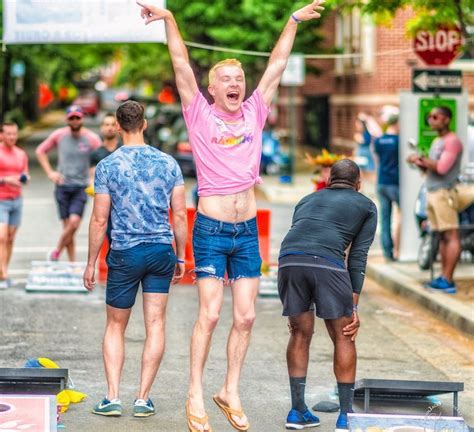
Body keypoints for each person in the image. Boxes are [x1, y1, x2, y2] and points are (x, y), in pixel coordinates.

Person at [137, 1, 325, 431]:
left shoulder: (255, 112)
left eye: (239, 78)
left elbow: (276, 65)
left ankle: (230, 390)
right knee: (210, 314)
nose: (235, 83)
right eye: (226, 79)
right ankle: (195, 393)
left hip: (246, 229)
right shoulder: (199, 113)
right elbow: (181, 63)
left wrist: (292, 21)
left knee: (246, 316)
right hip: (210, 229)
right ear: (213, 88)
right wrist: (169, 19)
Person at [83, 100, 187, 418]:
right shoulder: (169, 164)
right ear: (144, 125)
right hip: (160, 251)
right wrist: (181, 256)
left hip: (125, 253)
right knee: (155, 324)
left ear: (117, 126)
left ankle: (112, 396)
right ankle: (143, 398)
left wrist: (90, 262)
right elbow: (180, 214)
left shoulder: (107, 166)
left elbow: (100, 220)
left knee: (115, 326)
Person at [278, 159, 377, 431]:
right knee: (343, 334)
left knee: (299, 332)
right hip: (326, 262)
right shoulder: (366, 205)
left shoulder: (307, 199)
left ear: (330, 180)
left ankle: (297, 412)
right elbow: (357, 255)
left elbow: (300, 234)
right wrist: (353, 305)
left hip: (288, 260)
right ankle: (346, 417)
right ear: (358, 184)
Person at [407, 106, 474, 293]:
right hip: (432, 191)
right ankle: (443, 277)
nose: (431, 120)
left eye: (435, 116)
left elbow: (443, 168)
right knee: (442, 236)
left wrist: (421, 157)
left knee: (451, 235)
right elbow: (431, 168)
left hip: (444, 193)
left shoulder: (452, 141)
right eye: (429, 117)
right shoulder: (438, 140)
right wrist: (419, 163)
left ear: (446, 119)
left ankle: (448, 279)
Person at [36, 105, 101, 262]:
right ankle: (72, 263)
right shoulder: (59, 135)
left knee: (73, 224)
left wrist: (94, 174)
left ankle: (56, 251)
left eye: (77, 117)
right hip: (62, 186)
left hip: (81, 187)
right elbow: (40, 151)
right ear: (67, 119)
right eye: (71, 118)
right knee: (68, 228)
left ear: (82, 119)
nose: (74, 121)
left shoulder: (92, 138)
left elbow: (102, 158)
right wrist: (50, 173)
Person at [0, 122, 29, 289]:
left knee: (10, 238)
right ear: (1, 135)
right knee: (1, 237)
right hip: (1, 200)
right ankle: (2, 274)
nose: (12, 137)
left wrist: (25, 178)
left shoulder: (21, 154)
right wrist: (5, 180)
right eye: (8, 134)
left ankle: (4, 269)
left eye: (14, 134)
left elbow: (24, 172)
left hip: (16, 200)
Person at [374, 114, 400, 261]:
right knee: (404, 216)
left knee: (385, 219)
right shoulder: (398, 141)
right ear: (396, 123)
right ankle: (401, 249)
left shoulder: (379, 140)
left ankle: (387, 253)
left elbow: (378, 159)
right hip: (395, 183)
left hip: (382, 182)